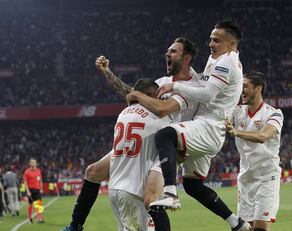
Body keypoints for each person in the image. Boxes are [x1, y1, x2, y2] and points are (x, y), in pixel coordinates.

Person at [62, 37, 200, 231]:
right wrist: (107, 73)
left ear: (186, 58)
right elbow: (133, 94)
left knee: (151, 199)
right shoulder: (161, 83)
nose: (167, 54)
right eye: (168, 50)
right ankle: (75, 225)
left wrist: (137, 96)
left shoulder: (197, 86)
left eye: (173, 51)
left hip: (167, 145)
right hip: (147, 137)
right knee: (93, 171)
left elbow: (160, 107)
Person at [149, 21, 250, 231]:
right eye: (211, 39)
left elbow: (206, 94)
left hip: (208, 126)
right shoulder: (220, 60)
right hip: (209, 128)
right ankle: (237, 223)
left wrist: (175, 85)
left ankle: (169, 193)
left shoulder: (226, 63)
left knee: (164, 136)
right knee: (193, 186)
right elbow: (203, 83)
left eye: (217, 40)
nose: (211, 43)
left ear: (231, 44)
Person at [109, 78, 171, 230]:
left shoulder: (123, 113)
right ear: (150, 94)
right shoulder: (158, 117)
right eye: (157, 95)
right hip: (133, 190)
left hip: (115, 188)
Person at [225, 71, 284, 231]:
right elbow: (217, 122)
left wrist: (237, 132)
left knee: (260, 228)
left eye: (245, 86)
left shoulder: (274, 113)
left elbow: (263, 136)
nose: (241, 90)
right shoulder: (236, 112)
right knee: (244, 228)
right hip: (245, 179)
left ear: (258, 88)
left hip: (266, 178)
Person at [23, 158, 44, 223]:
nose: (33, 164)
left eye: (34, 162)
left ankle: (39, 219)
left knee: (39, 204)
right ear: (29, 164)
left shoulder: (38, 171)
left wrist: (41, 188)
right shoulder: (27, 172)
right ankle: (30, 219)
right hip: (31, 190)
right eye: (31, 162)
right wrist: (28, 191)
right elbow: (25, 182)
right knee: (30, 205)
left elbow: (40, 180)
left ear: (36, 163)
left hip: (37, 190)